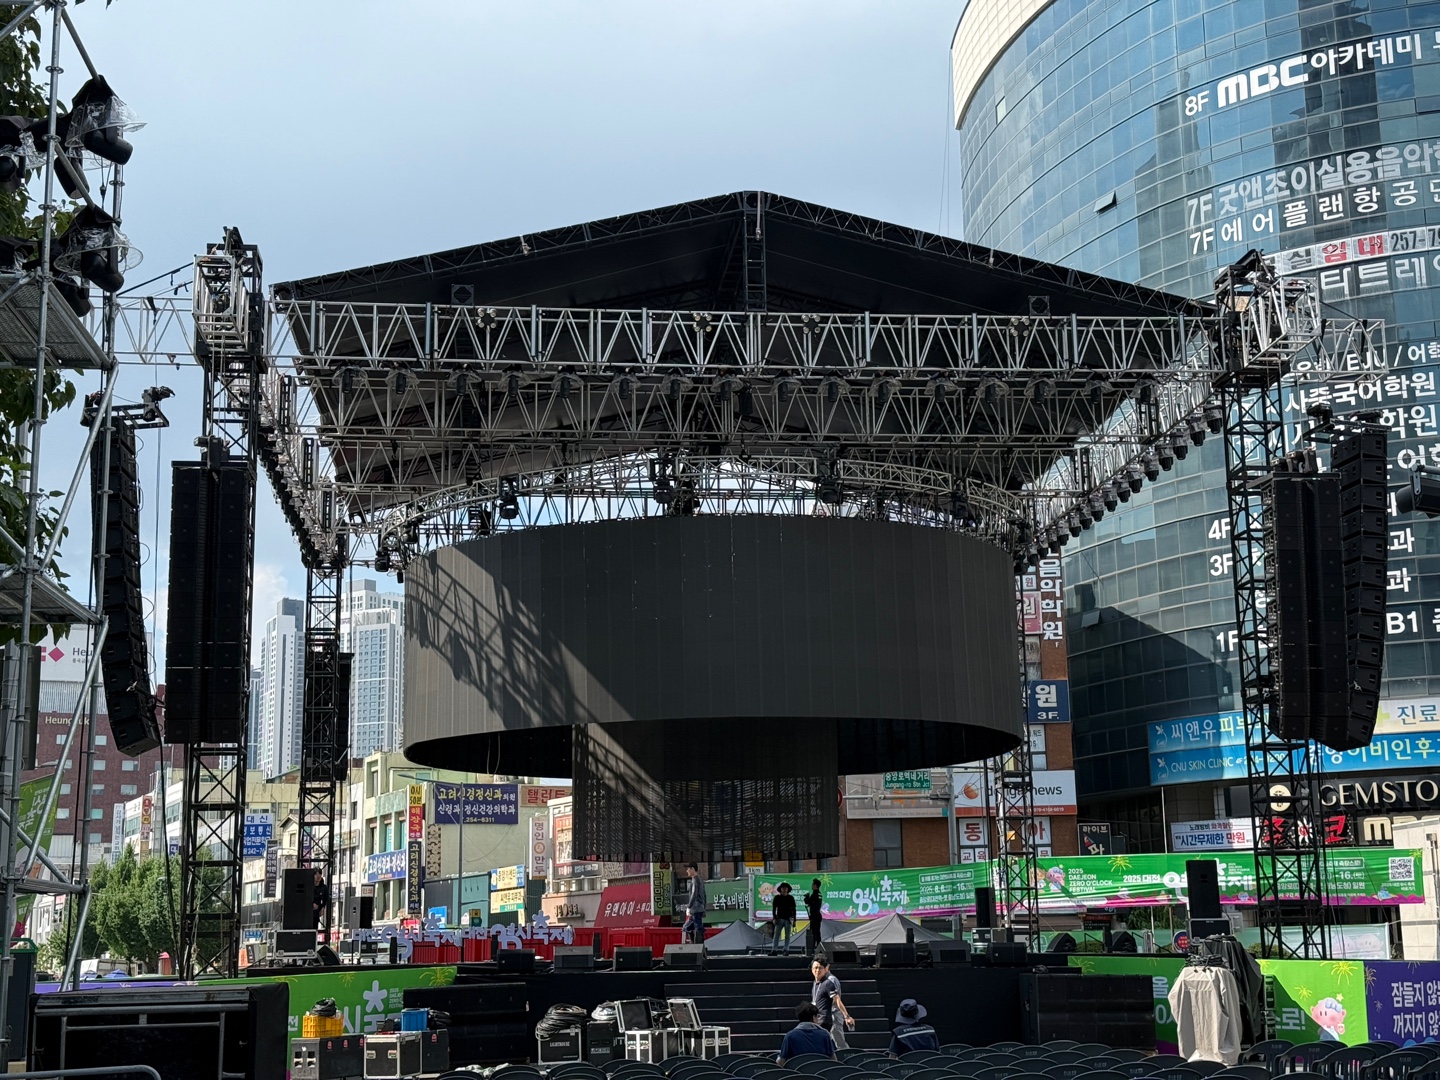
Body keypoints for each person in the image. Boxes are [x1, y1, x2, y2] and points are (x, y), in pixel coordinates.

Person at [811, 956, 854, 1051]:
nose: (817, 970)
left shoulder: (830, 980)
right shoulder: (817, 981)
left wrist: (846, 1016)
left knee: (838, 1043)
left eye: (820, 968)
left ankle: (845, 1057)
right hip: (820, 1016)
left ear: (826, 967)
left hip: (832, 1014)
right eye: (815, 968)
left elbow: (836, 1000)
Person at [683, 863, 707, 944]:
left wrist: (689, 907)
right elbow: (704, 895)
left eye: (688, 869)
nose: (687, 871)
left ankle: (696, 946)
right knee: (693, 927)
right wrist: (704, 908)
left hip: (695, 908)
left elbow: (694, 894)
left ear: (693, 869)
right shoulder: (700, 880)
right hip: (699, 908)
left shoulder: (695, 880)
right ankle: (697, 945)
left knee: (690, 927)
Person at [771, 882, 797, 956]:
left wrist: (794, 919)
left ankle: (786, 949)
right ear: (780, 889)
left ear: (788, 889)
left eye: (786, 888)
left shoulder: (791, 898)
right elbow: (774, 909)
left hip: (788, 919)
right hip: (779, 919)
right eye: (783, 888)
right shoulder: (777, 898)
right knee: (776, 935)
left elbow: (794, 909)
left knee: (787, 936)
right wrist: (774, 917)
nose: (784, 889)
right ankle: (774, 950)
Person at [804, 878, 824, 957]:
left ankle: (812, 949)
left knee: (813, 933)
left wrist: (806, 898)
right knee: (817, 933)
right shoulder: (819, 894)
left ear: (815, 885)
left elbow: (808, 901)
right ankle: (819, 948)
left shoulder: (815, 894)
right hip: (818, 915)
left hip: (814, 916)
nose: (811, 886)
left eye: (812, 884)